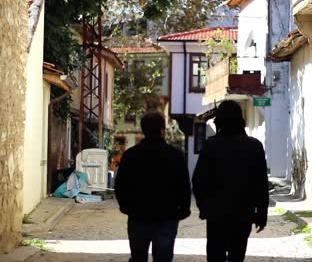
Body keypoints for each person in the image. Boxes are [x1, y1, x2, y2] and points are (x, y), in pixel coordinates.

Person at [192, 100, 269, 262]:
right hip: (243, 213)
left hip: (216, 214)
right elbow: (261, 183)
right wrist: (261, 214)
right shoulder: (254, 146)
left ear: (219, 120)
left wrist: (204, 206)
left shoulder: (211, 145)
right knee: (237, 255)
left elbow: (198, 180)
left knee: (215, 255)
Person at [115, 111, 191, 262]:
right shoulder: (175, 155)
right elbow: (184, 185)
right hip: (167, 216)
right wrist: (183, 209)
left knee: (138, 257)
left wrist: (125, 206)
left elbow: (120, 184)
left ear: (143, 130)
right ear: (162, 130)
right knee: (163, 257)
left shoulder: (131, 155)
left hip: (138, 215)